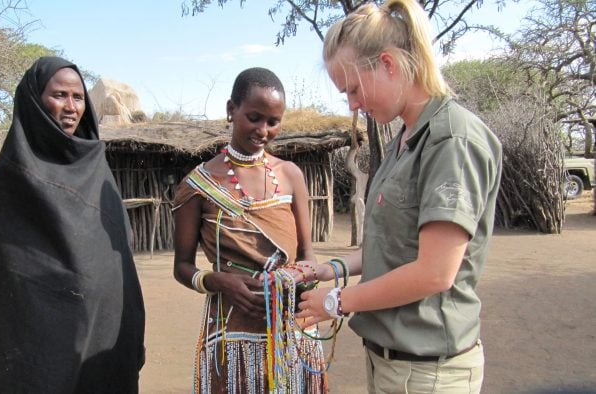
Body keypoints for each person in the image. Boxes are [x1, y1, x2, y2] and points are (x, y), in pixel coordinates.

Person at [295, 1, 503, 393]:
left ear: (388, 64)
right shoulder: (404, 140)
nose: (353, 104)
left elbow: (434, 272)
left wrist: (335, 301)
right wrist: (331, 270)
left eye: (354, 89)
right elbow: (391, 246)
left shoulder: (451, 140)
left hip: (429, 373)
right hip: (390, 363)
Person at [0, 56, 145, 394]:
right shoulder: (15, 175)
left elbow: (115, 252)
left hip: (102, 330)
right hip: (38, 336)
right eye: (59, 95)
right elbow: (12, 277)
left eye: (78, 97)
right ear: (34, 99)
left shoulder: (96, 166)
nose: (71, 107)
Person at [172, 67, 328, 393]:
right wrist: (219, 281)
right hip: (233, 330)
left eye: (273, 122)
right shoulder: (197, 185)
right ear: (231, 110)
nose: (263, 130)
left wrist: (298, 280)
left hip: (291, 325)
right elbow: (182, 267)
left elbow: (306, 254)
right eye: (254, 117)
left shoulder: (290, 175)